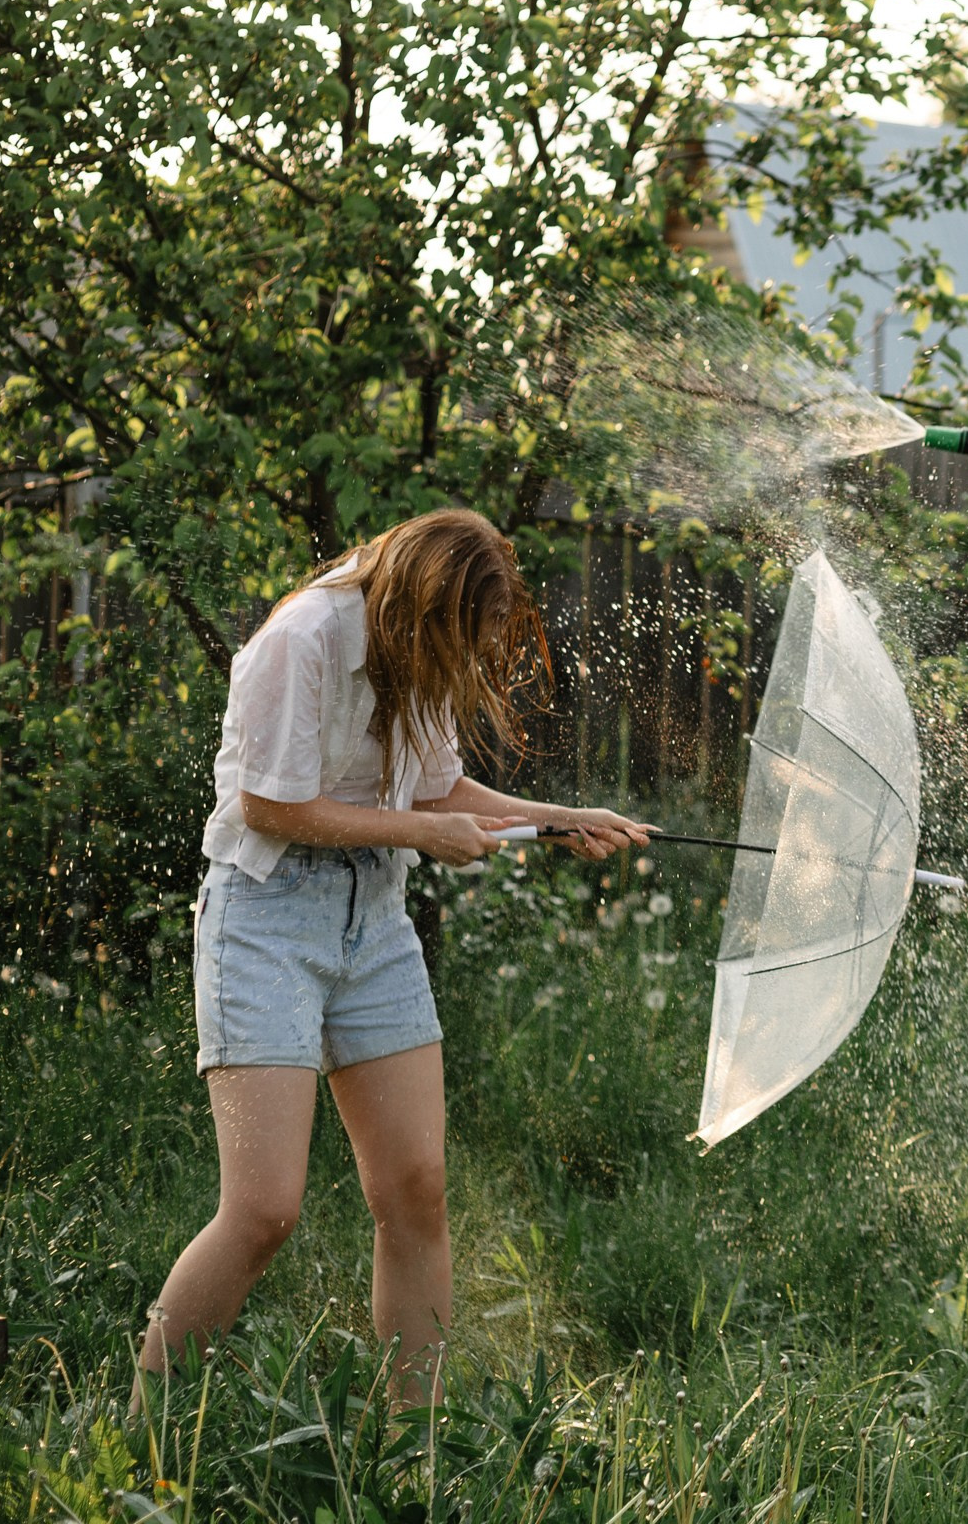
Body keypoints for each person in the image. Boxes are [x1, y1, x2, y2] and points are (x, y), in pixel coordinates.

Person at [137, 508, 650, 1410]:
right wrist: (424, 832)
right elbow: (268, 808)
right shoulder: (301, 638)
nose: (463, 657)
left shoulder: (421, 643)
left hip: (373, 920)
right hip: (265, 922)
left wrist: (556, 817)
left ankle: (413, 1454)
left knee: (416, 1187)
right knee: (263, 1210)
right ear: (418, 601)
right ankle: (136, 1433)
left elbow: (435, 786)